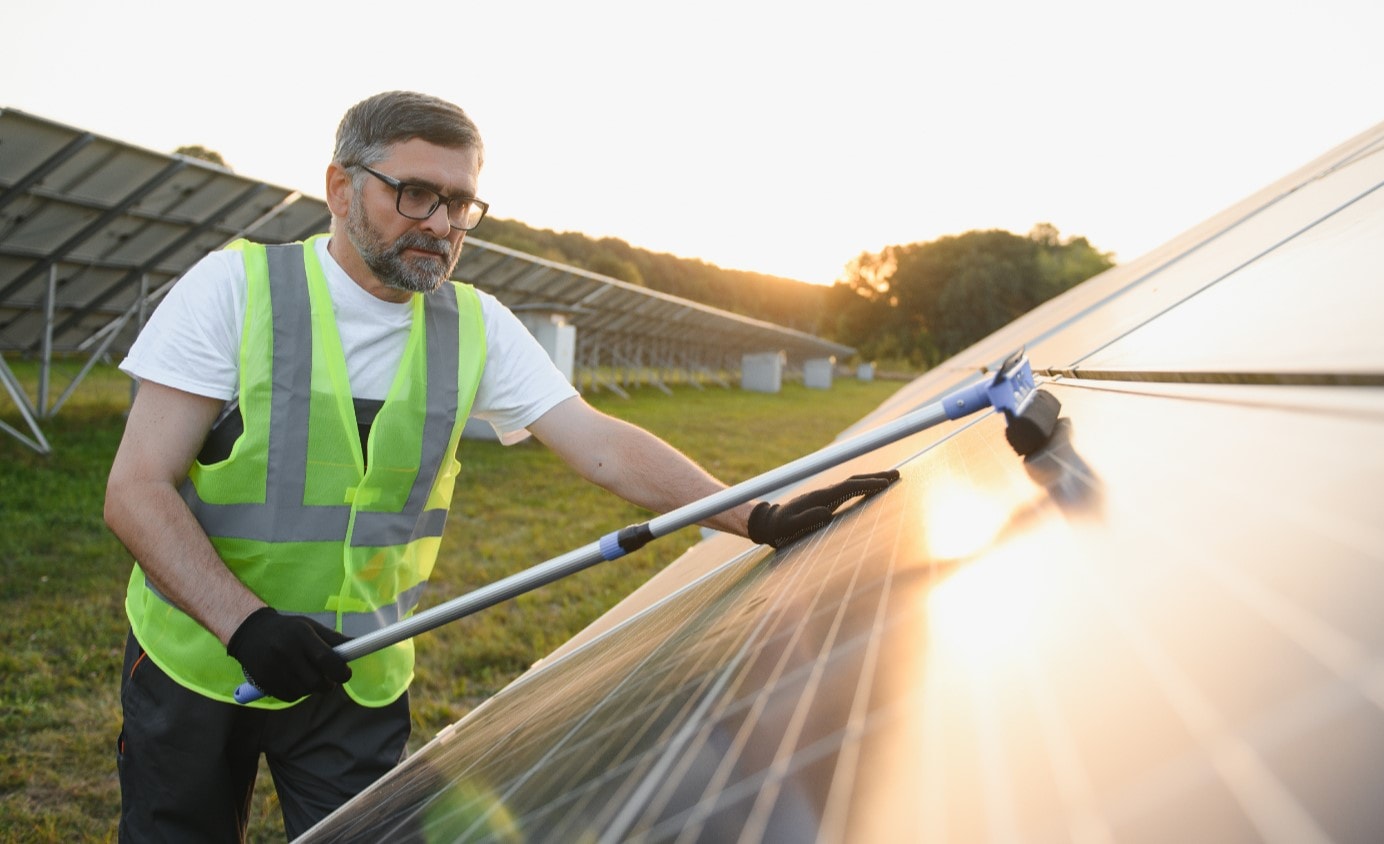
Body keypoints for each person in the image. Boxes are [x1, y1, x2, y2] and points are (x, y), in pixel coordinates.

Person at [103, 90, 896, 841]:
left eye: (460, 204)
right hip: (198, 659)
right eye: (415, 193)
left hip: (356, 676)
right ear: (341, 187)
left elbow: (599, 442)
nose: (443, 224)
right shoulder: (236, 289)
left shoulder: (475, 326)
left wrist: (752, 514)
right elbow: (136, 489)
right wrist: (244, 624)